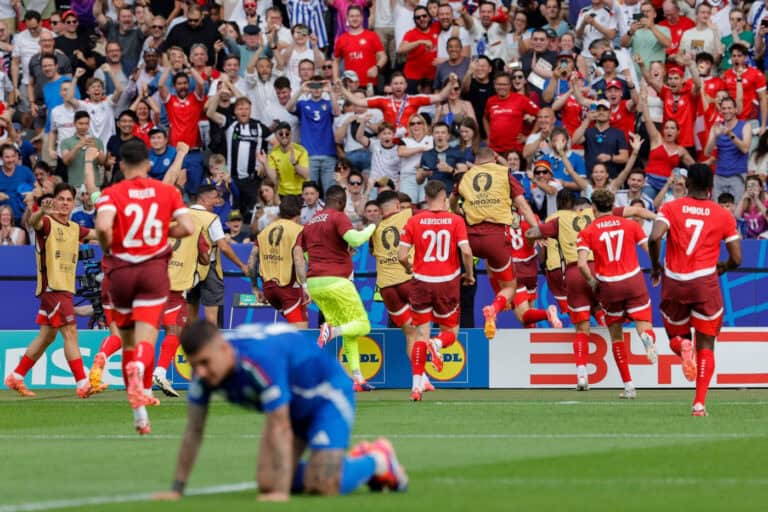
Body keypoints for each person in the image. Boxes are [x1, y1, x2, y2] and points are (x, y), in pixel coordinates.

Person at [154, 321, 407, 502]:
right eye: (194, 365)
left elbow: (280, 426)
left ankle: (377, 460)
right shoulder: (204, 376)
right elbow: (193, 430)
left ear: (223, 349)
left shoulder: (258, 360)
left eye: (205, 362)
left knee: (323, 485)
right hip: (291, 404)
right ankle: (329, 466)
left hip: (327, 395)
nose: (200, 372)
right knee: (267, 483)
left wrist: (281, 493)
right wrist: (177, 489)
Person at [94, 140, 195, 435]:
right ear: (149, 164)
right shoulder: (167, 192)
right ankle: (140, 370)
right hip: (153, 271)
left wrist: (109, 247)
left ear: (121, 164)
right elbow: (188, 228)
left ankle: (140, 415)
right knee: (146, 340)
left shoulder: (111, 194)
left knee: (127, 341)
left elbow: (102, 227)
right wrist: (162, 231)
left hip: (121, 271)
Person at [649, 164, 742, 416]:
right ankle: (699, 404)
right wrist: (723, 266)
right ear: (711, 187)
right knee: (707, 344)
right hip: (705, 283)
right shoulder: (723, 214)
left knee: (676, 336)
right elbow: (737, 258)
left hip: (675, 281)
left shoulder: (670, 207)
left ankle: (682, 345)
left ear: (687, 184)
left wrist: (656, 266)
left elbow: (654, 237)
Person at [454, 147, 560, 339]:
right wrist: (539, 232)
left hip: (492, 250)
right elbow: (525, 211)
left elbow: (453, 200)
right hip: (527, 267)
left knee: (522, 314)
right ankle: (507, 312)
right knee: (526, 314)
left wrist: (458, 214)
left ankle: (499, 306)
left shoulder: (468, 178)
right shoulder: (507, 182)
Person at [4, 184, 97, 398]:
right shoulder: (46, 222)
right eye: (61, 199)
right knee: (70, 332)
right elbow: (33, 222)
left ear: (73, 204)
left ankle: (16, 376)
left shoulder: (75, 228)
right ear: (54, 201)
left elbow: (98, 234)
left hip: (65, 288)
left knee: (47, 336)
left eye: (69, 200)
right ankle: (83, 383)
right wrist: (40, 212)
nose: (65, 203)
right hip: (53, 287)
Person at [576, 189, 658, 400]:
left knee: (616, 335)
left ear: (593, 208)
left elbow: (582, 264)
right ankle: (647, 339)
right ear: (613, 206)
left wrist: (592, 282)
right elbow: (649, 248)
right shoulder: (631, 225)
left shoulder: (588, 231)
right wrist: (657, 269)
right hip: (633, 280)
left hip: (609, 285)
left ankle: (629, 386)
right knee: (643, 323)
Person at [398, 180, 475, 401]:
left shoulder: (414, 220)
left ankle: (416, 386)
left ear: (426, 197)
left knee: (420, 335)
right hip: (447, 282)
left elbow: (401, 255)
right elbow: (467, 252)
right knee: (450, 332)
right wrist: (469, 274)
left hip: (421, 281)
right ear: (444, 197)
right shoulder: (455, 220)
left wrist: (409, 268)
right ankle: (437, 343)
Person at [304, 185, 377, 391]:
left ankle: (358, 378)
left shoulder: (310, 222)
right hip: (336, 281)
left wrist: (337, 252)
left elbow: (305, 253)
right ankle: (331, 331)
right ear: (341, 202)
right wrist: (372, 227)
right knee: (363, 325)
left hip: (315, 282)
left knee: (349, 330)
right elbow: (356, 239)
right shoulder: (337, 216)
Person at [187, 184, 251, 326]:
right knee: (211, 318)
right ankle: (211, 340)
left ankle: (189, 341)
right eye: (215, 198)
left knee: (189, 314)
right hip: (208, 268)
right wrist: (242, 265)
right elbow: (223, 247)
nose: (217, 201)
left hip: (188, 268)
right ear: (204, 199)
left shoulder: (184, 215)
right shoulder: (211, 218)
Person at [247, 197, 309, 327]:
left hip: (269, 290)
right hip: (288, 288)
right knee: (301, 332)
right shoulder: (298, 230)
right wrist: (305, 286)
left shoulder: (265, 231)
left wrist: (255, 287)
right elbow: (298, 258)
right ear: (298, 212)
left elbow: (252, 261)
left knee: (294, 326)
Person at [286, 78, 340, 194]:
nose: (316, 89)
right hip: (309, 154)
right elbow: (288, 107)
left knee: (330, 191)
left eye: (319, 86)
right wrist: (300, 90)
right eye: (313, 86)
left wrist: (330, 92)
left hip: (328, 154)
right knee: (310, 191)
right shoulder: (303, 104)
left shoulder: (328, 103)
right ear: (309, 88)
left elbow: (337, 112)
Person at [704, 96, 751, 201]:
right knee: (717, 209)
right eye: (724, 108)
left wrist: (730, 134)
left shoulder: (745, 125)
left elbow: (745, 149)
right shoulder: (716, 127)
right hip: (719, 175)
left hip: (738, 175)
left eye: (729, 108)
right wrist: (715, 136)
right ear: (720, 111)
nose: (726, 111)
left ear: (736, 110)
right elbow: (707, 153)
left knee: (736, 208)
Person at [484, 72, 540, 156]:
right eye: (499, 84)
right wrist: (488, 136)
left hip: (514, 152)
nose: (501, 87)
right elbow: (485, 118)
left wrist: (529, 137)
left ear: (510, 85)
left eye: (504, 84)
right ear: (494, 85)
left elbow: (541, 115)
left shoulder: (521, 99)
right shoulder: (490, 101)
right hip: (494, 151)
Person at [332, 5, 386, 89]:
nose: (355, 19)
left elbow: (383, 56)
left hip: (369, 84)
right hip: (351, 85)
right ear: (347, 18)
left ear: (362, 18)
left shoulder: (372, 36)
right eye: (352, 16)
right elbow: (335, 61)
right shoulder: (342, 39)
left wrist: (377, 67)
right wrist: (335, 78)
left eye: (357, 16)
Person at [262, 122, 309, 200]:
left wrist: (294, 163)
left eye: (287, 133)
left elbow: (306, 175)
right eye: (281, 134)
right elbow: (274, 180)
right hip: (283, 194)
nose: (284, 136)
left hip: (301, 192)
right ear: (276, 135)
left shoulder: (301, 150)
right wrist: (265, 163)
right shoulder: (273, 153)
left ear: (291, 134)